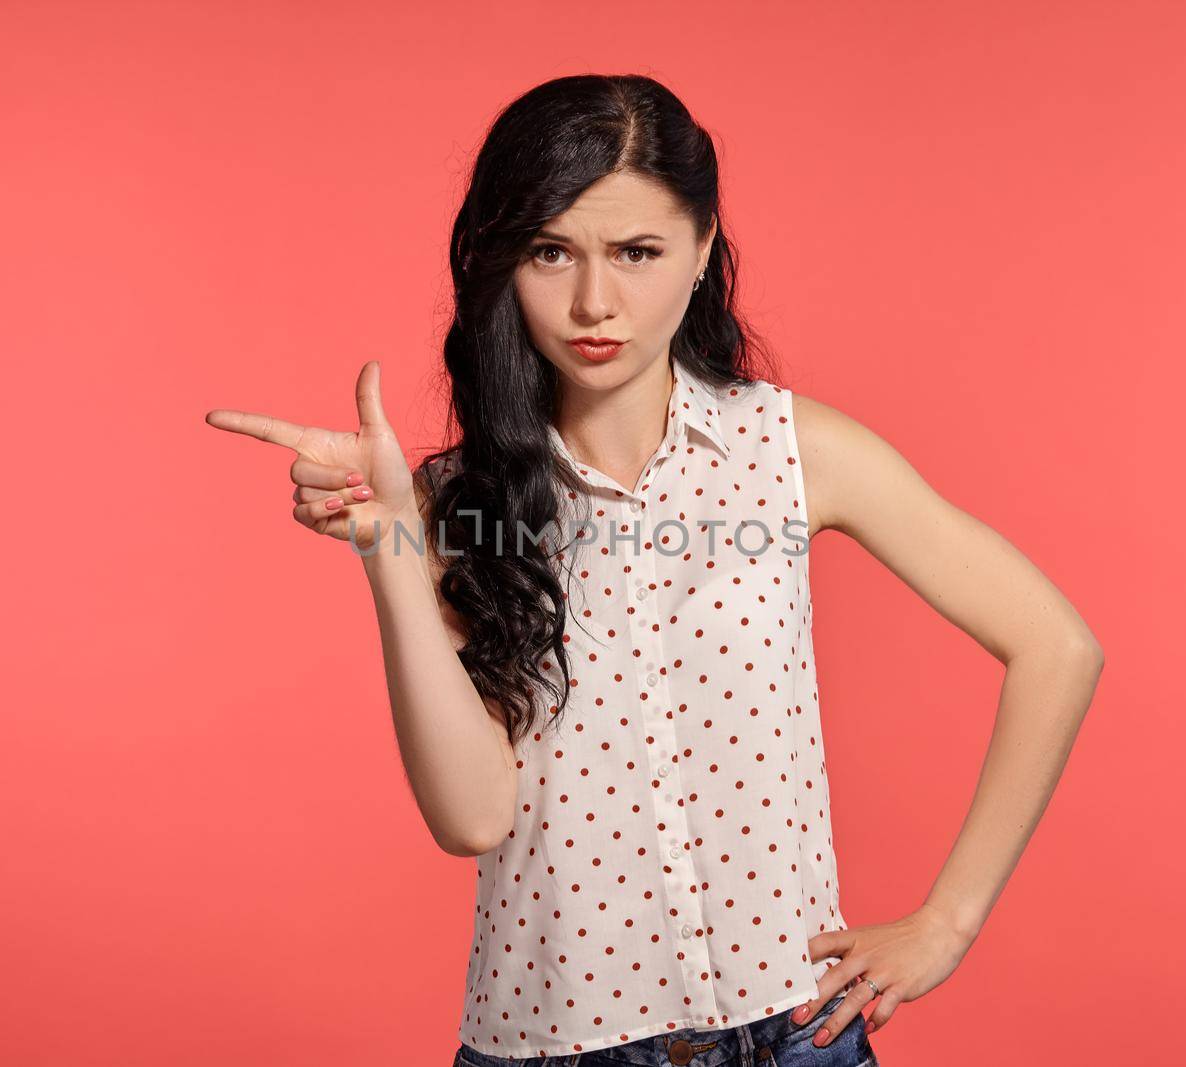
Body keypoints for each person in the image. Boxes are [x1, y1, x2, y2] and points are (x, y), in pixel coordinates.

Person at [206, 74, 1104, 1067]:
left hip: (790, 1033)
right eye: (552, 252)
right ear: (505, 260)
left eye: (637, 253)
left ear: (702, 250)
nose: (596, 301)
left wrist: (948, 918)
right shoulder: (450, 502)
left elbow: (1055, 643)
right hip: (552, 1044)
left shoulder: (793, 450)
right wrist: (390, 549)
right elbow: (472, 816)